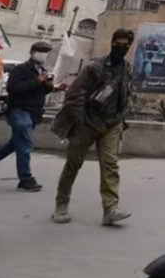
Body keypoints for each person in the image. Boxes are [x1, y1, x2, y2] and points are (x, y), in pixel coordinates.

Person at [50, 29, 135, 226]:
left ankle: (111, 208)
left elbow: (128, 93)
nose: (121, 48)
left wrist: (122, 116)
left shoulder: (127, 69)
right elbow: (74, 94)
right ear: (112, 43)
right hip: (87, 122)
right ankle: (61, 204)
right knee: (73, 163)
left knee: (110, 165)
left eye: (125, 46)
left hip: (112, 123)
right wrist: (80, 119)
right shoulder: (94, 67)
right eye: (118, 44)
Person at [0, 42, 64, 193]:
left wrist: (52, 87)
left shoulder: (43, 70)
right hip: (20, 111)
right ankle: (26, 179)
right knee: (25, 145)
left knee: (13, 145)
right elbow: (13, 88)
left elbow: (40, 91)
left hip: (33, 112)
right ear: (33, 52)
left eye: (46, 52)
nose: (44, 55)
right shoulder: (21, 69)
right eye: (41, 51)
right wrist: (37, 81)